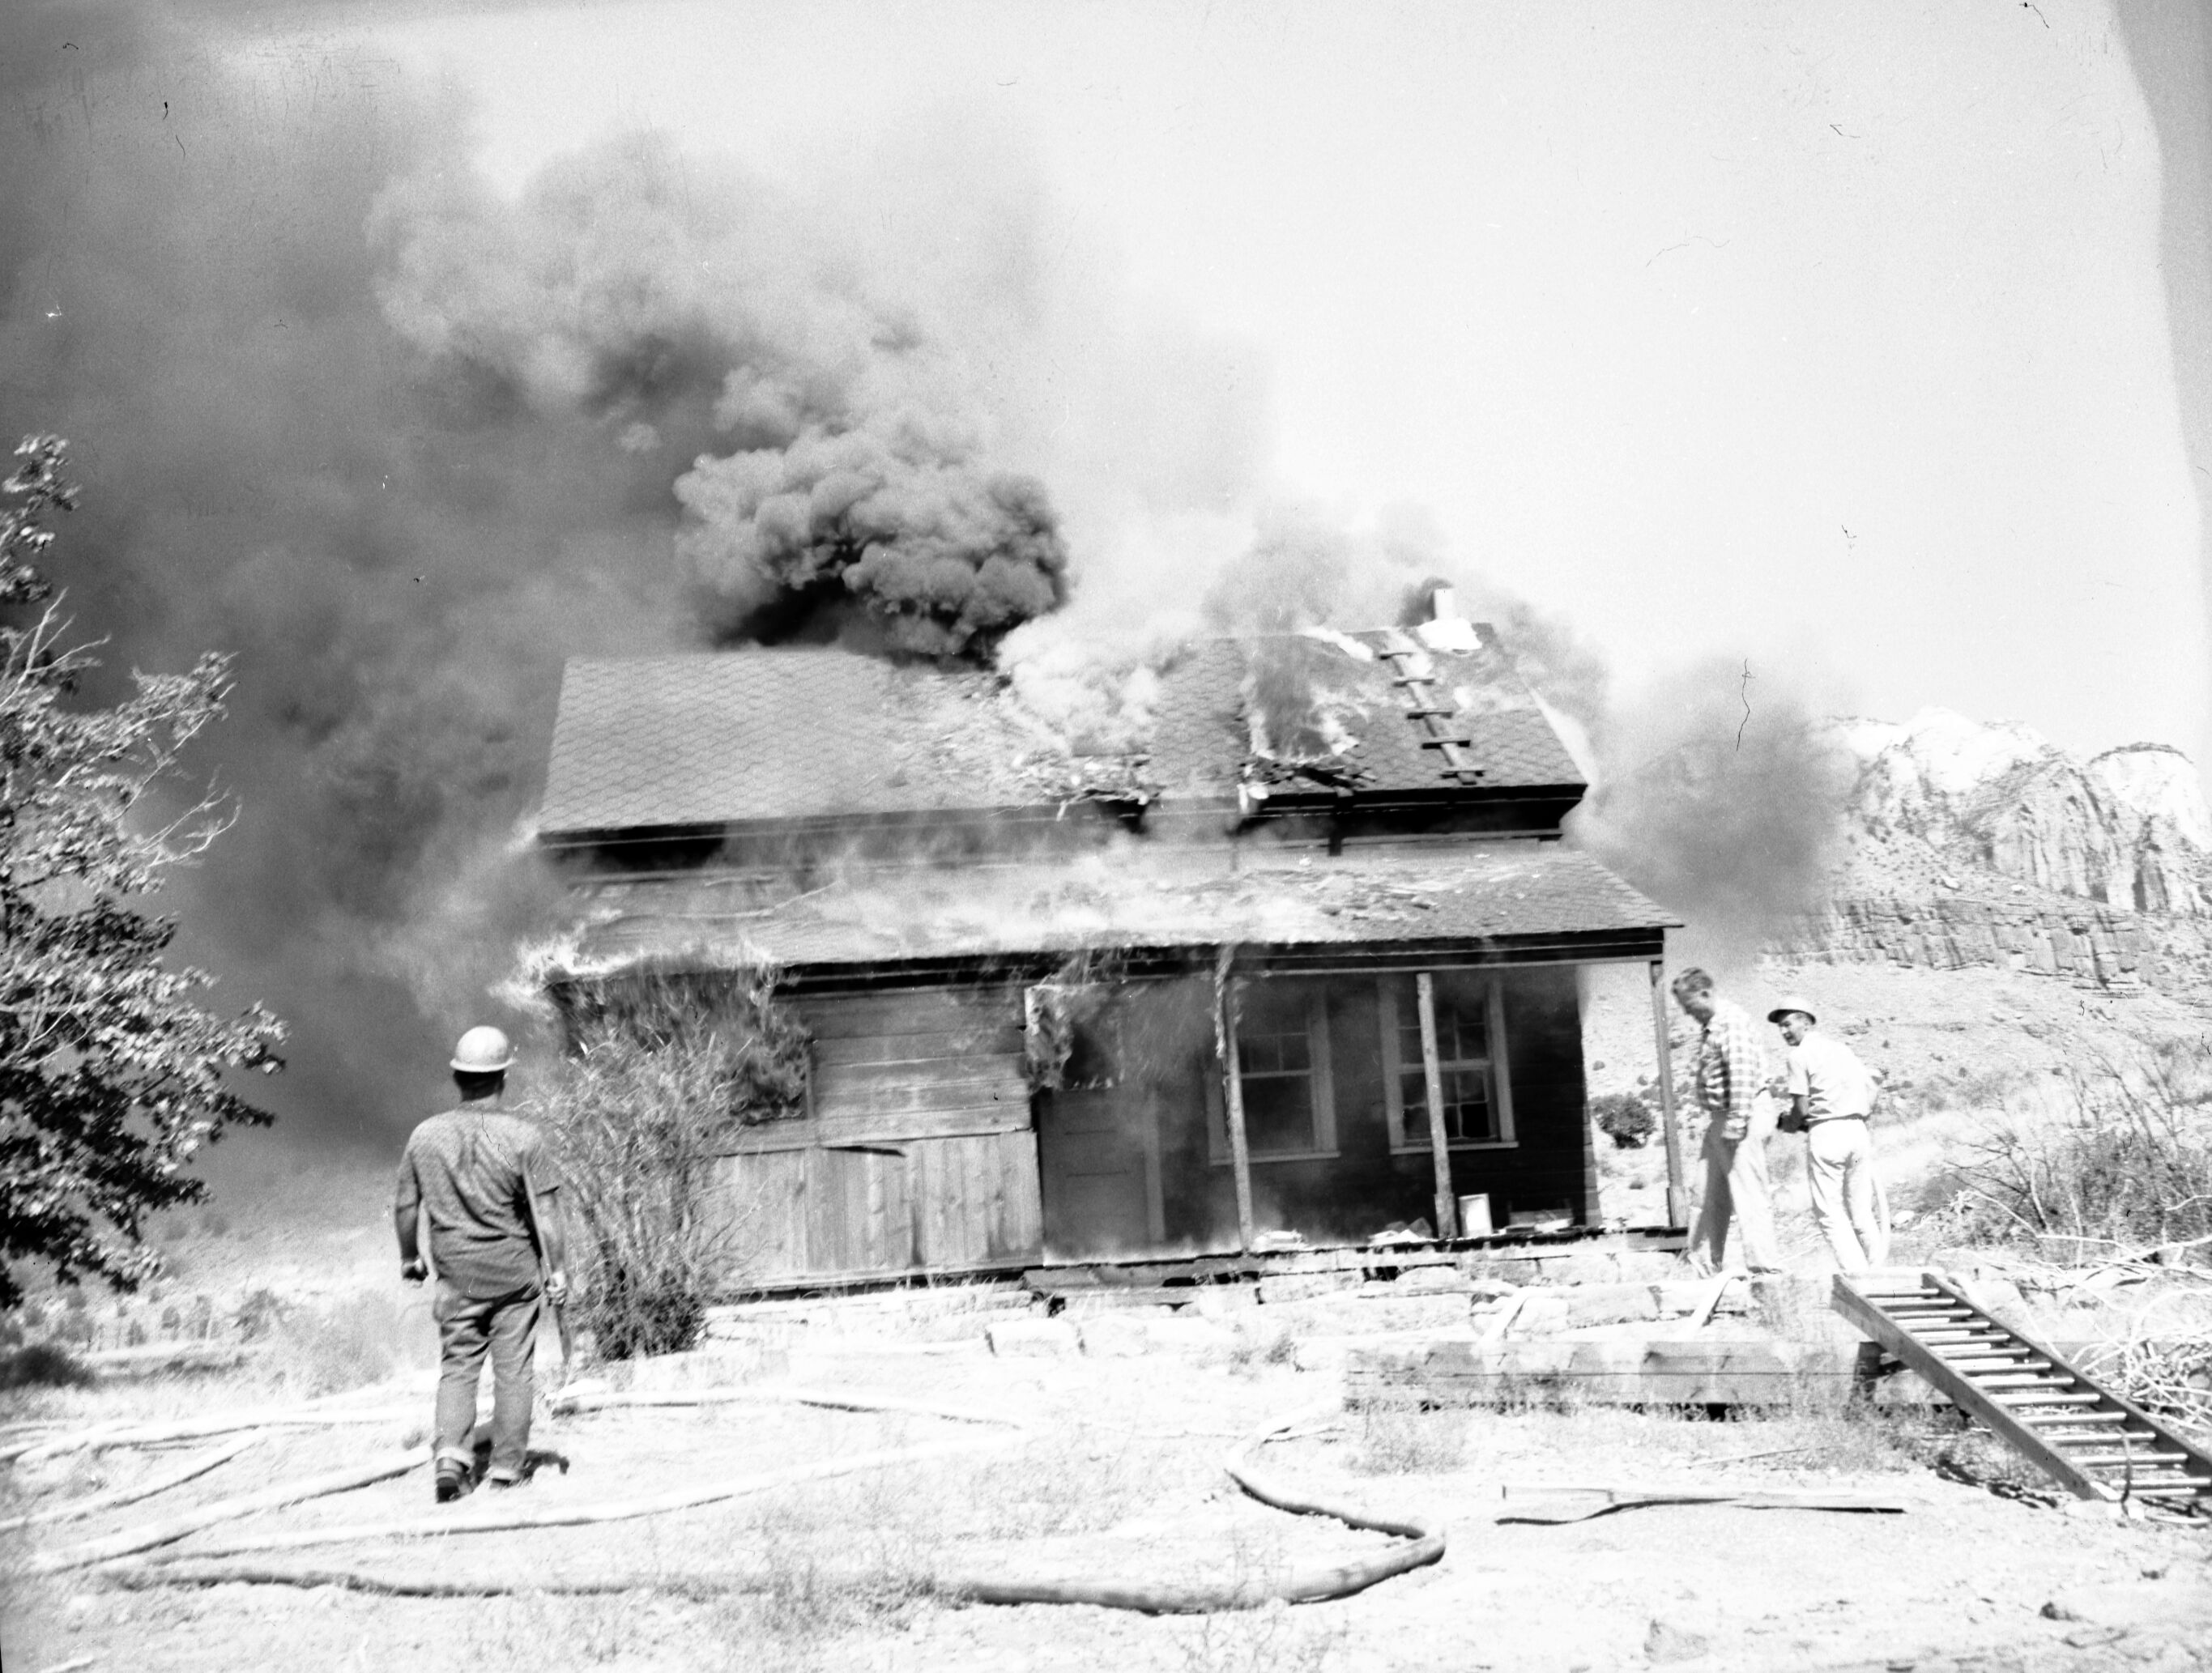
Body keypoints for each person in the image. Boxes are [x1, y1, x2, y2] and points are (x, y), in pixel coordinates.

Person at [394, 1025, 569, 1503]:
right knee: (515, 1371)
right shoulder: (523, 1138)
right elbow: (547, 1212)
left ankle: (451, 1457)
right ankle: (508, 1469)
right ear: (503, 1079)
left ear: (457, 1076)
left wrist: (410, 1257)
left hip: (457, 1278)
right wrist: (558, 1269)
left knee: (458, 1367)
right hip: (515, 1277)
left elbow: (407, 1206)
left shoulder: (425, 1136)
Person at [1670, 968, 1783, 1277]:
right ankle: (1705, 1265)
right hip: (1722, 1118)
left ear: (1705, 993)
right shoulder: (1713, 1026)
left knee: (1748, 1193)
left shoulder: (1731, 1022)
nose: (1687, 1013)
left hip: (1740, 1114)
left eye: (1690, 1006)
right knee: (1706, 1193)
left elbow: (1743, 1073)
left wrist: (1736, 1121)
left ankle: (1765, 1268)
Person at [1768, 997, 1889, 1272]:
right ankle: (1880, 1270)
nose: (1784, 1032)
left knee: (1830, 1213)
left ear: (1806, 1023)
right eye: (1780, 1027)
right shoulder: (1842, 1050)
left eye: (1788, 1024)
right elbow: (1869, 1087)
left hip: (1827, 1135)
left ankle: (1860, 1278)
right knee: (1861, 1211)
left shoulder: (1798, 1056)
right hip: (1858, 1133)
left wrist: (1788, 1123)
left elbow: (1801, 1108)